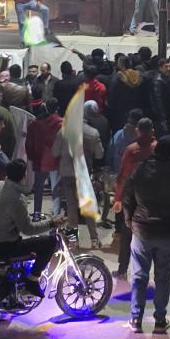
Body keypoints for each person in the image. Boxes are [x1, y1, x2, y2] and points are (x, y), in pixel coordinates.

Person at [119, 138, 170, 332]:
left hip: (142, 230)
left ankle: (136, 319)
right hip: (166, 233)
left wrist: (129, 221)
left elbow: (127, 198)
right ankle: (159, 320)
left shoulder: (140, 171)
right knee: (163, 277)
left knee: (139, 275)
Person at [0, 158, 60, 292]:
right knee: (50, 242)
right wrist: (51, 223)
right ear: (23, 176)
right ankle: (33, 279)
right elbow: (28, 229)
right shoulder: (17, 198)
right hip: (7, 247)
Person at [112, 117, 158, 279]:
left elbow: (123, 175)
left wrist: (118, 197)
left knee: (127, 234)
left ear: (138, 130)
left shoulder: (131, 149)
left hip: (131, 198)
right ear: (152, 130)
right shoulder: (157, 147)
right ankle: (143, 271)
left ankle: (123, 268)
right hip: (153, 198)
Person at [52, 106, 103, 249]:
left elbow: (55, 152)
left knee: (71, 207)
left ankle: (73, 241)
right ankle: (94, 240)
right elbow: (99, 154)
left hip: (67, 174)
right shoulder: (93, 133)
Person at [26, 98, 64, 217]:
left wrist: (31, 157)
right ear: (57, 108)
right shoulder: (62, 123)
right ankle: (57, 216)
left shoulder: (34, 125)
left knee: (39, 188)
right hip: (56, 159)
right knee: (56, 189)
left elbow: (29, 143)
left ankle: (37, 213)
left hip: (39, 159)